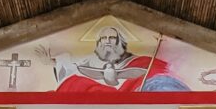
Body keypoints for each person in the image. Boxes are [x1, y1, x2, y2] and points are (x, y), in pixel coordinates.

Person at [52, 27, 188, 92]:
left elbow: (162, 78)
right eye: (103, 39)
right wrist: (57, 60)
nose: (107, 41)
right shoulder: (86, 63)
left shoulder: (143, 63)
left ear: (120, 42)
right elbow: (69, 71)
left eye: (112, 38)